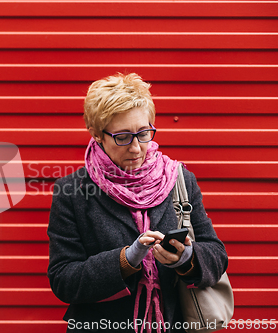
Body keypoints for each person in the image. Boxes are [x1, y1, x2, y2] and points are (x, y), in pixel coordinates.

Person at [47, 73, 228, 333]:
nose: (136, 148)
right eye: (122, 137)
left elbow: (217, 255)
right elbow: (63, 279)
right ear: (97, 135)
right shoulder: (72, 192)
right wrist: (126, 259)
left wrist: (186, 258)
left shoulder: (179, 179)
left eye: (144, 133)